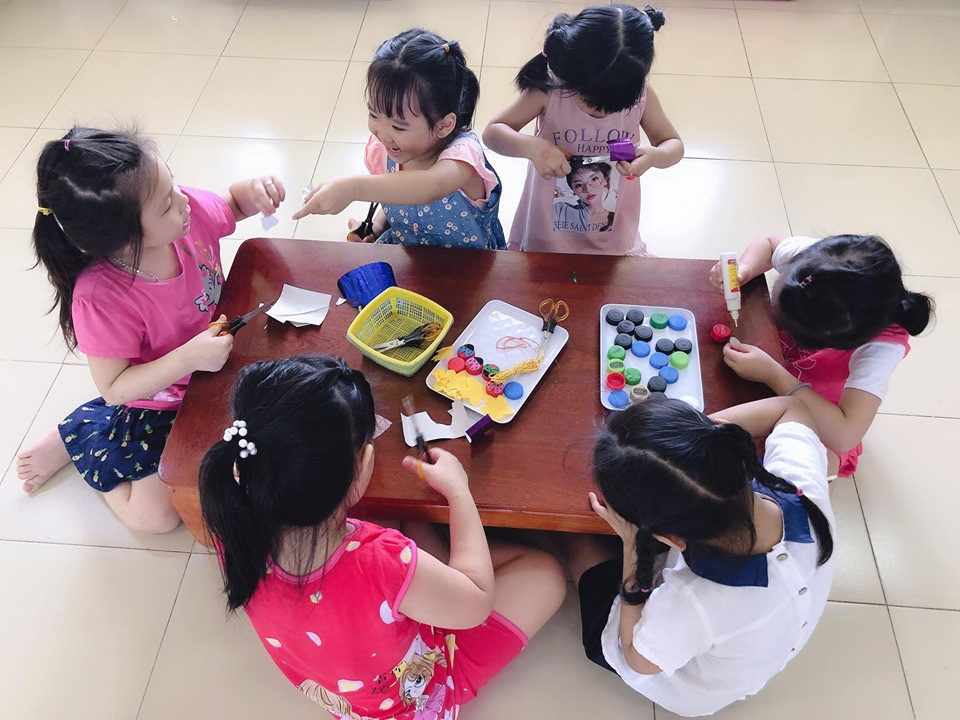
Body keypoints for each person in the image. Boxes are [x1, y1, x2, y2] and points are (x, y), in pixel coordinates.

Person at [199, 355, 566, 719]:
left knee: (410, 530)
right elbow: (476, 602)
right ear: (361, 467)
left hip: (349, 699)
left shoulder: (232, 525)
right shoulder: (383, 560)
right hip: (416, 697)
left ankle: (438, 581)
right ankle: (444, 580)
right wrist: (459, 493)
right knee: (544, 573)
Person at [15, 126, 285, 533]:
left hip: (222, 363)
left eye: (173, 184)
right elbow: (115, 387)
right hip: (158, 400)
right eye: (165, 205)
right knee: (155, 518)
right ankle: (81, 435)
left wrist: (254, 191)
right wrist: (188, 358)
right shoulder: (101, 298)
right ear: (123, 240)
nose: (184, 199)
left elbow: (231, 204)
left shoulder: (187, 214)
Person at [561, 397, 835, 717]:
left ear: (669, 540)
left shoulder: (693, 603)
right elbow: (793, 407)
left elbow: (638, 659)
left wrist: (632, 545)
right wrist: (693, 447)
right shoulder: (803, 484)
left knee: (573, 533)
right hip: (754, 650)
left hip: (688, 683)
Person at [709, 234, 935, 476]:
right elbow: (768, 245)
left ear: (834, 343)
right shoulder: (814, 267)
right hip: (765, 365)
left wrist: (774, 375)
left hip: (818, 409)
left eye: (790, 328)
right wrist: (744, 269)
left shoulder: (882, 348)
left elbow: (845, 435)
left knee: (818, 462)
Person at [483, 3, 682, 255]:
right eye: (590, 100)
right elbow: (493, 132)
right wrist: (533, 148)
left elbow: (673, 144)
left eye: (614, 105)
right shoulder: (550, 90)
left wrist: (655, 156)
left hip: (613, 228)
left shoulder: (641, 95)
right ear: (570, 75)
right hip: (547, 228)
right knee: (540, 275)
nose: (601, 113)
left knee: (610, 276)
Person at [293, 29, 506, 249]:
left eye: (398, 126)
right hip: (408, 255)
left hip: (470, 265)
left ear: (443, 125)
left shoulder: (464, 156)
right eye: (373, 114)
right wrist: (377, 225)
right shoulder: (384, 150)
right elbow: (396, 191)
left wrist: (352, 188)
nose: (383, 135)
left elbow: (430, 185)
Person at [553, 160, 616, 233]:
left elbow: (625, 155)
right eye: (579, 185)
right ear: (573, 190)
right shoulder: (560, 210)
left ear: (606, 180)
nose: (588, 189)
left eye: (594, 179)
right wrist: (547, 194)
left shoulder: (617, 219)